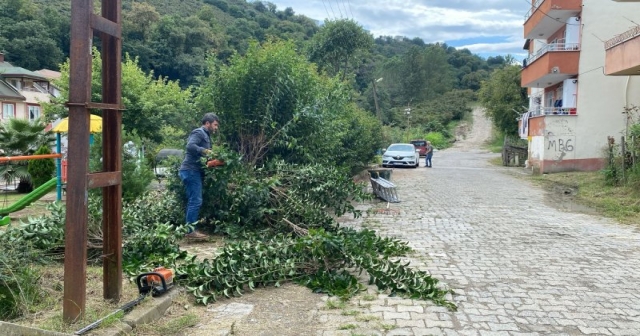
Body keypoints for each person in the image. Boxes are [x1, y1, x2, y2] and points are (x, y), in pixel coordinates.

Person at [179, 113, 219, 239]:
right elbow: (190, 146)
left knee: (194, 199)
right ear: (207, 123)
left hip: (194, 171)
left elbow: (202, 157)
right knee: (195, 200)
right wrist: (205, 151)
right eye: (215, 125)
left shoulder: (206, 136)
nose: (216, 128)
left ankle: (190, 229)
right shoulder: (199, 132)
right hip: (190, 171)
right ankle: (190, 231)